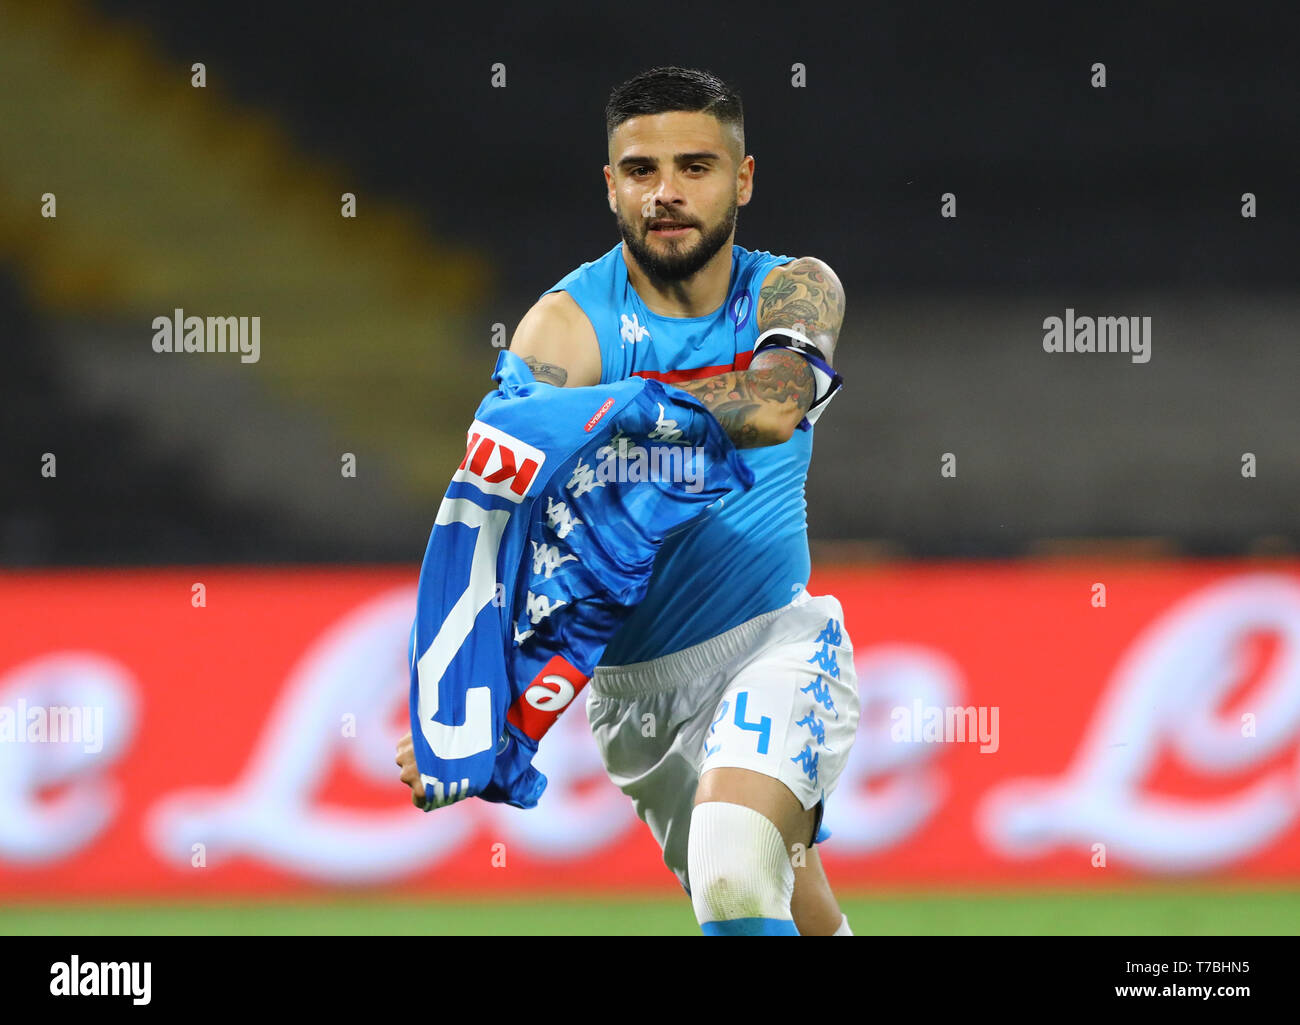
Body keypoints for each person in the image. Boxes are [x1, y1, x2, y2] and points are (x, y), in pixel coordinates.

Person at [399, 65, 859, 936]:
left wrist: (629, 408)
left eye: (696, 167)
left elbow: (775, 401)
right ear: (611, 186)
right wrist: (459, 702)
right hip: (633, 694)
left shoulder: (793, 288)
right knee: (780, 898)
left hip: (775, 643)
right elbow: (498, 504)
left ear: (744, 179)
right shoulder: (563, 326)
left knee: (731, 864)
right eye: (642, 171)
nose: (668, 193)